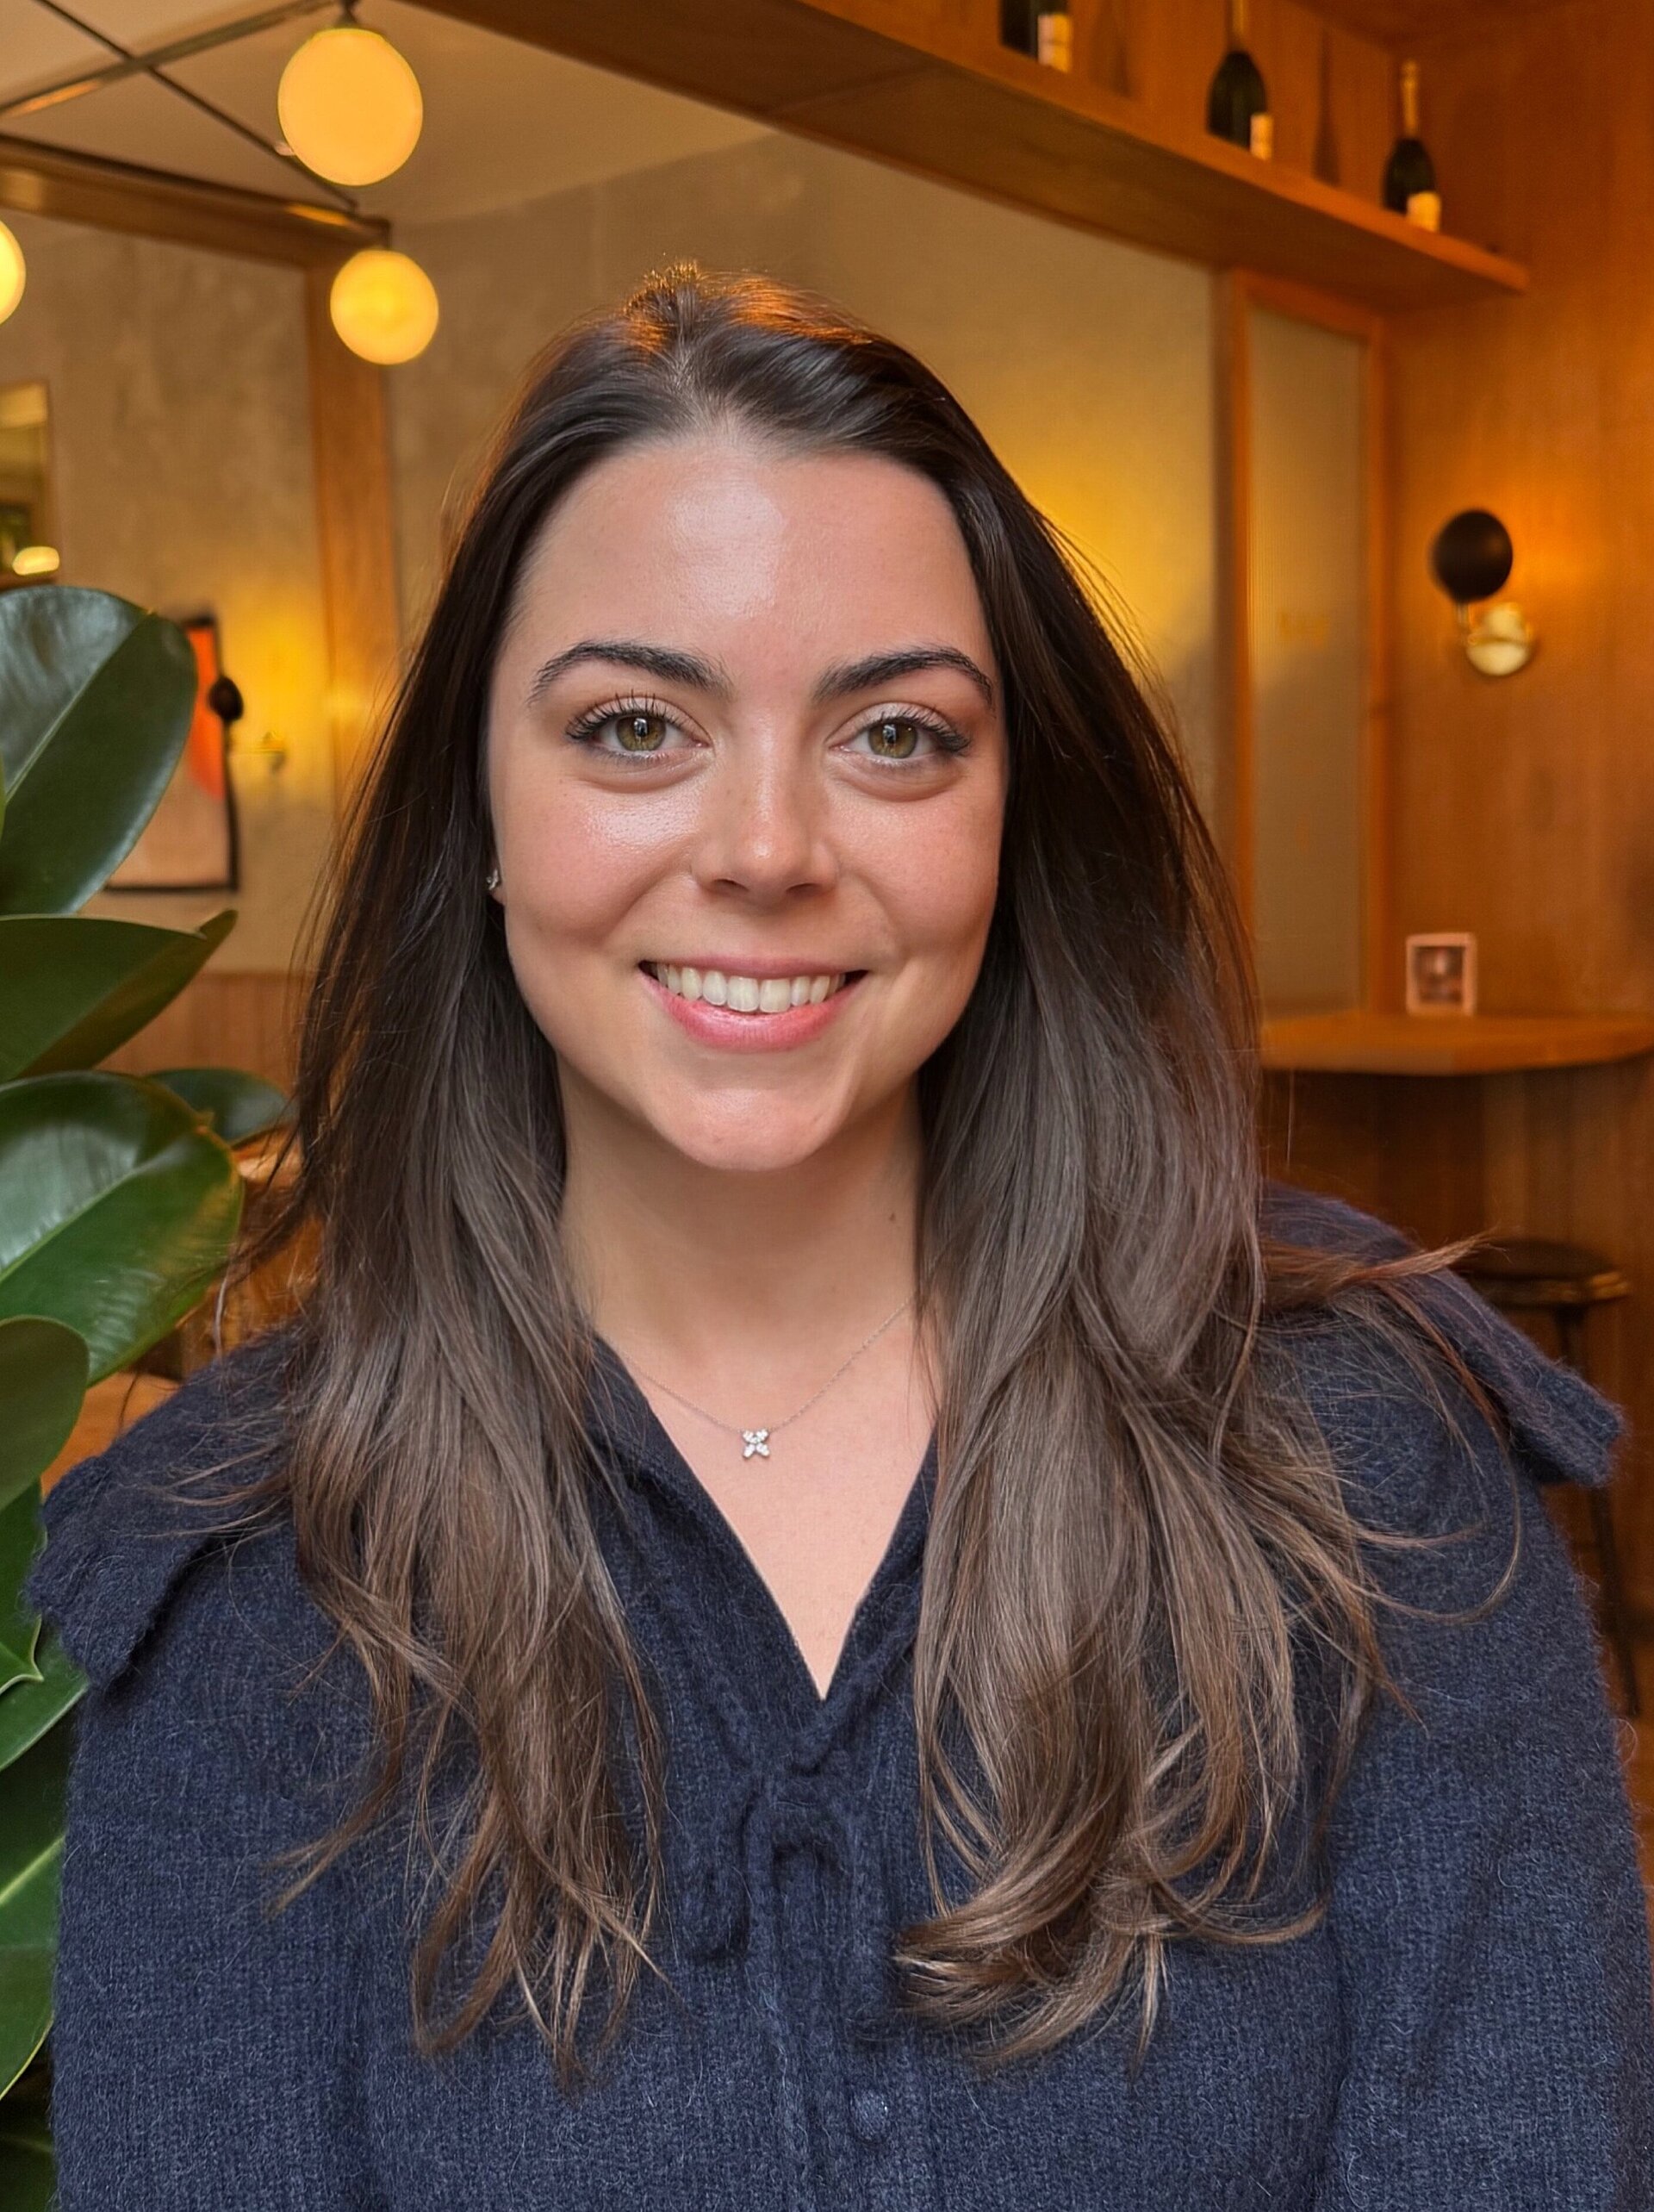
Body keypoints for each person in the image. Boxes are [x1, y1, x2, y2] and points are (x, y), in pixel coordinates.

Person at [27, 265, 1653, 2210]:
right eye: (637, 725)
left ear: (1012, 817)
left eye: (896, 735)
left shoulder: (1361, 1455)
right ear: (480, 809)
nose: (771, 849)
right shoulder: (249, 1576)